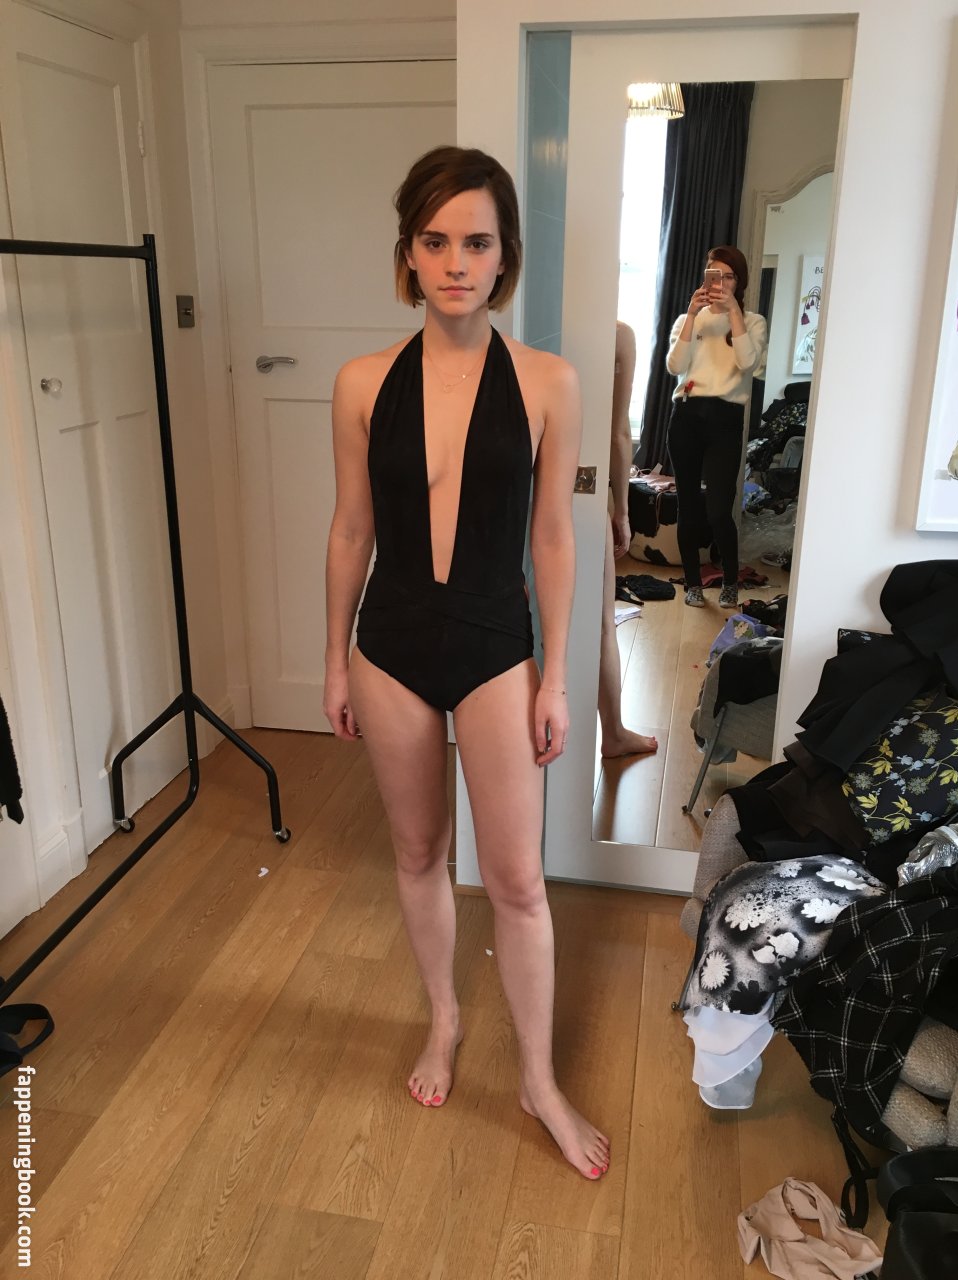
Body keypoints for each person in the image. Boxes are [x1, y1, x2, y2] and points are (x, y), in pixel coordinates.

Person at [323, 145, 610, 1181]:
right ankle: (443, 1018)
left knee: (519, 880)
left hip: (495, 644)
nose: (456, 262)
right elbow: (351, 528)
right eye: (435, 240)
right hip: (391, 644)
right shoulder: (362, 382)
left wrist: (557, 676)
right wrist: (332, 661)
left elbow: (553, 539)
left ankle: (537, 1078)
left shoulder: (549, 381)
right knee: (417, 854)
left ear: (504, 255)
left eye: (476, 242)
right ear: (408, 251)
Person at [665, 245, 767, 609]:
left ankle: (730, 581)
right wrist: (692, 315)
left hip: (725, 419)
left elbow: (748, 362)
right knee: (688, 506)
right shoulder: (688, 318)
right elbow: (675, 366)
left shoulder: (752, 321)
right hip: (687, 415)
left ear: (739, 281)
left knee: (719, 509)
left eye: (728, 276)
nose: (720, 283)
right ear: (705, 278)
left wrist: (734, 311)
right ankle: (692, 583)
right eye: (714, 275)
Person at [597, 320, 658, 757]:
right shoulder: (618, 335)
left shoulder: (511, 316)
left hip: (519, 490)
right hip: (581, 489)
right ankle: (613, 733)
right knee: (602, 622)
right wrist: (622, 510)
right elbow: (618, 432)